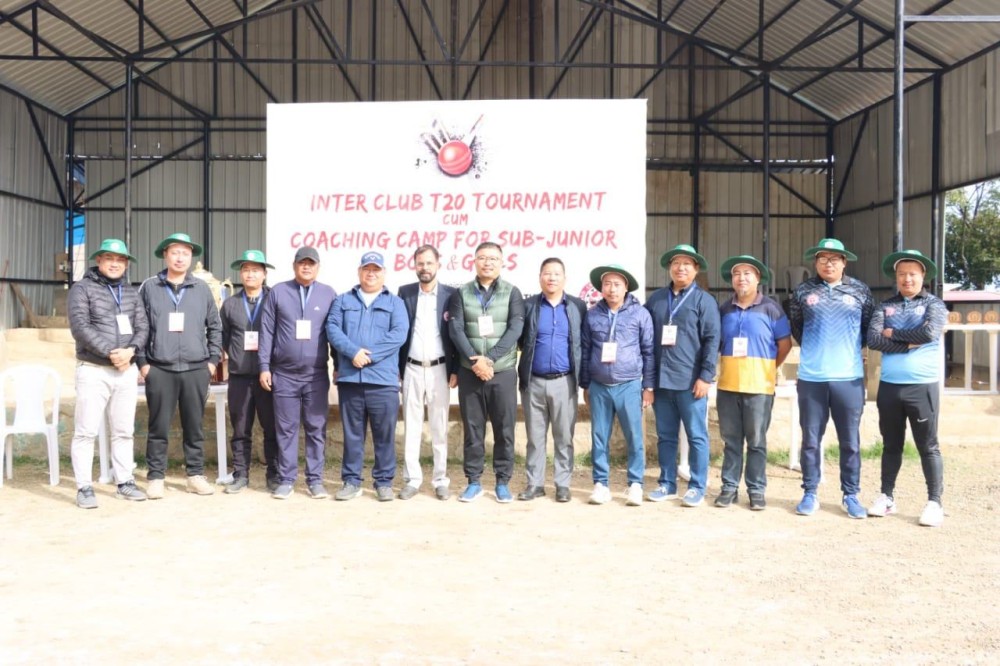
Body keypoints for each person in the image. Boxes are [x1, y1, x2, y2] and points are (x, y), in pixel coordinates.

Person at [788, 238, 875, 518]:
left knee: (850, 441)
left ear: (844, 262)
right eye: (823, 258)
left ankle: (851, 495)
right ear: (816, 262)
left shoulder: (860, 291)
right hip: (812, 378)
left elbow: (866, 329)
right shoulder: (803, 291)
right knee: (811, 439)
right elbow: (798, 328)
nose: (828, 263)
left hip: (848, 378)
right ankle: (810, 492)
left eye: (834, 258)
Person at [137, 232, 223, 499]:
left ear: (191, 257)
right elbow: (140, 327)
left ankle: (195, 476)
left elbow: (215, 327)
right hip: (159, 368)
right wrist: (142, 362)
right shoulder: (150, 287)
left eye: (185, 253)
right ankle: (156, 478)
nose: (180, 257)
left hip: (196, 368)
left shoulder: (202, 289)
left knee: (194, 426)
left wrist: (211, 361)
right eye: (175, 252)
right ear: (165, 255)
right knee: (158, 426)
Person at [866, 249, 947, 527]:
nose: (907, 279)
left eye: (912, 274)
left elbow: (929, 333)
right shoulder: (884, 306)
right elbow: (874, 339)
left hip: (922, 386)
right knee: (891, 445)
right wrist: (908, 343)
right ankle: (886, 497)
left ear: (923, 275)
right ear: (896, 277)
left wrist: (894, 333)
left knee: (928, 446)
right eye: (902, 274)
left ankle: (935, 502)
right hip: (889, 387)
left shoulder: (934, 304)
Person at [67, 238, 149, 508]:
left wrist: (131, 351)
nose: (115, 263)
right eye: (109, 258)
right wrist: (111, 353)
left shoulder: (130, 293)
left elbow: (142, 327)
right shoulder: (82, 289)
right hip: (93, 369)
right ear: (99, 260)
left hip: (126, 370)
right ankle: (84, 487)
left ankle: (124, 482)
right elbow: (80, 326)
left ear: (126, 264)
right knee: (85, 431)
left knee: (124, 431)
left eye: (120, 260)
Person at [326, 251, 408, 502]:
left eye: (376, 269)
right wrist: (353, 352)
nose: (371, 273)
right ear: (359, 271)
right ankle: (351, 481)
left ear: (384, 273)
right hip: (351, 379)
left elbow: (399, 334)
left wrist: (368, 356)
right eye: (366, 269)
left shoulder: (395, 303)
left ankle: (383, 482)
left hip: (383, 381)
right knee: (352, 435)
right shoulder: (342, 300)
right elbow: (332, 328)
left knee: (384, 435)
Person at [713, 255, 792, 510]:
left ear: (758, 279)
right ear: (732, 280)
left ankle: (756, 490)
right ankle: (729, 488)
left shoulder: (771, 309)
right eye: (737, 274)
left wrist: (768, 368)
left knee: (756, 441)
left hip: (759, 387)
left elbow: (785, 344)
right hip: (728, 386)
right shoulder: (724, 310)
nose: (742, 278)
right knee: (731, 441)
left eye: (748, 273)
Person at [448, 242, 524, 503]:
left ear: (502, 262)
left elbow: (515, 329)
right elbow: (456, 330)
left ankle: (503, 481)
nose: (488, 262)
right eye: (483, 258)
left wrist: (489, 360)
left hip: (501, 372)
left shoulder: (512, 293)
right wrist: (475, 361)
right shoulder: (461, 294)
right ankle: (474, 481)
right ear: (474, 261)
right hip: (470, 373)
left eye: (493, 258)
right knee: (473, 429)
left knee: (505, 429)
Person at [258, 246, 337, 500]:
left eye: (311, 263)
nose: (306, 267)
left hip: (315, 375)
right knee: (286, 429)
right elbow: (267, 332)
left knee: (316, 427)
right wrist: (264, 367)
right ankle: (286, 479)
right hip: (284, 375)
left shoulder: (328, 294)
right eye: (302, 263)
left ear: (318, 267)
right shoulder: (279, 292)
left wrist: (337, 366)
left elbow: (333, 334)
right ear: (294, 266)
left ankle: (315, 480)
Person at [645, 244, 720, 507]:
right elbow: (646, 340)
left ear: (696, 269)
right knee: (665, 436)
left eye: (687, 264)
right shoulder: (656, 300)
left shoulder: (705, 301)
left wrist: (706, 376)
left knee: (696, 435)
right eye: (676, 263)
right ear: (669, 267)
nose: (681, 268)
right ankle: (666, 483)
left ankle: (697, 486)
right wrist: (648, 382)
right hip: (662, 382)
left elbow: (712, 340)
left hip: (691, 383)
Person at [579, 264, 654, 506]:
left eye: (617, 284)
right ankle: (601, 484)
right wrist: (585, 384)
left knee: (634, 436)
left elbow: (649, 352)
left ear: (626, 288)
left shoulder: (640, 314)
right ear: (601, 288)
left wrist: (648, 386)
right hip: (599, 385)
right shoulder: (592, 315)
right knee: (599, 436)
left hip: (629, 384)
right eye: (607, 284)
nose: (611, 289)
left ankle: (635, 484)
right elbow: (586, 350)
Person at [516, 257, 586, 503]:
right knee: (535, 438)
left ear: (565, 278)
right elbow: (518, 340)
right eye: (547, 273)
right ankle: (534, 483)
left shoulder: (577, 306)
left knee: (564, 436)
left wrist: (584, 380)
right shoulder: (528, 306)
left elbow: (583, 345)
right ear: (540, 277)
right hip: (533, 381)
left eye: (557, 274)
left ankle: (562, 484)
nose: (552, 278)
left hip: (565, 381)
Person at [397, 245, 458, 501]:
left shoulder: (451, 295)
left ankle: (440, 479)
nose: (425, 268)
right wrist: (398, 370)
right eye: (420, 263)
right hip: (411, 367)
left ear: (438, 265)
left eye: (429, 263)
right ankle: (412, 479)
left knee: (438, 426)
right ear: (414, 265)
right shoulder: (405, 293)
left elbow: (455, 335)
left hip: (440, 369)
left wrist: (455, 369)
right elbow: (400, 332)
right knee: (411, 426)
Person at [219, 250, 279, 494]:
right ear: (240, 274)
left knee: (272, 428)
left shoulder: (275, 299)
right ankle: (241, 474)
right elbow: (222, 337)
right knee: (241, 429)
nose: (250, 274)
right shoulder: (231, 303)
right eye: (246, 269)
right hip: (240, 377)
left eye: (256, 270)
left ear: (264, 274)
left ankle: (274, 475)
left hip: (269, 376)